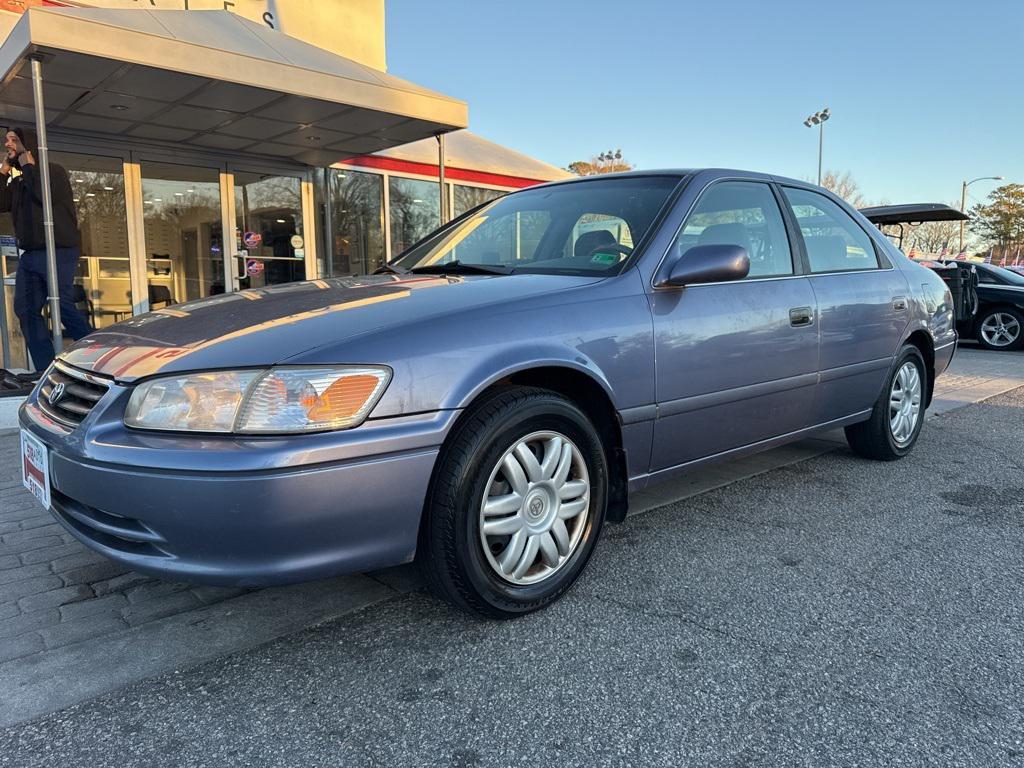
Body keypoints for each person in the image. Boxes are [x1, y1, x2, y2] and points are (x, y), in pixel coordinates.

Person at [0, 126, 92, 370]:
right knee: (26, 310)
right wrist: (4, 171)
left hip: (58, 251)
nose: (7, 144)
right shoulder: (19, 182)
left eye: (13, 140)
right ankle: (46, 369)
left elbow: (44, 197)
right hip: (30, 255)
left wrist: (28, 167)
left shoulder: (53, 172)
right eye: (6, 140)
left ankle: (96, 357)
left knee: (62, 306)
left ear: (27, 144)